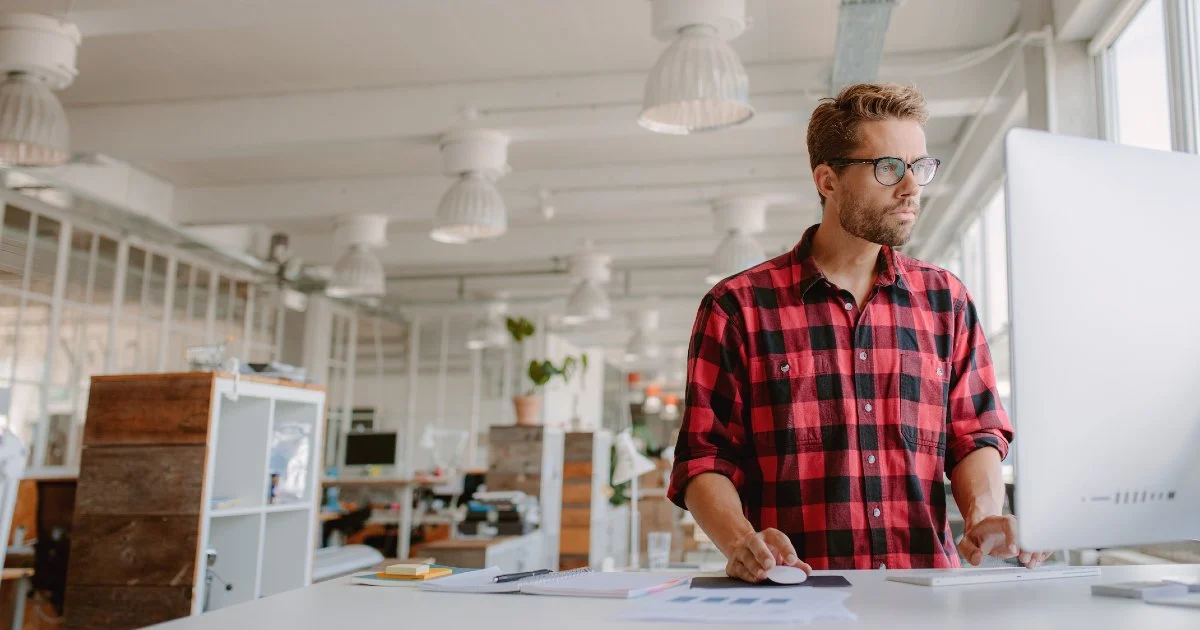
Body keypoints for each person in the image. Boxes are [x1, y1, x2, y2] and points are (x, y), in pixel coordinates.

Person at [667, 82, 1050, 582]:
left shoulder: (946, 301)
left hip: (924, 599)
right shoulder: (737, 307)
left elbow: (974, 432)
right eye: (888, 168)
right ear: (827, 180)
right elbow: (705, 456)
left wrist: (983, 516)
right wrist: (743, 542)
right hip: (795, 599)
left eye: (920, 167)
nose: (911, 187)